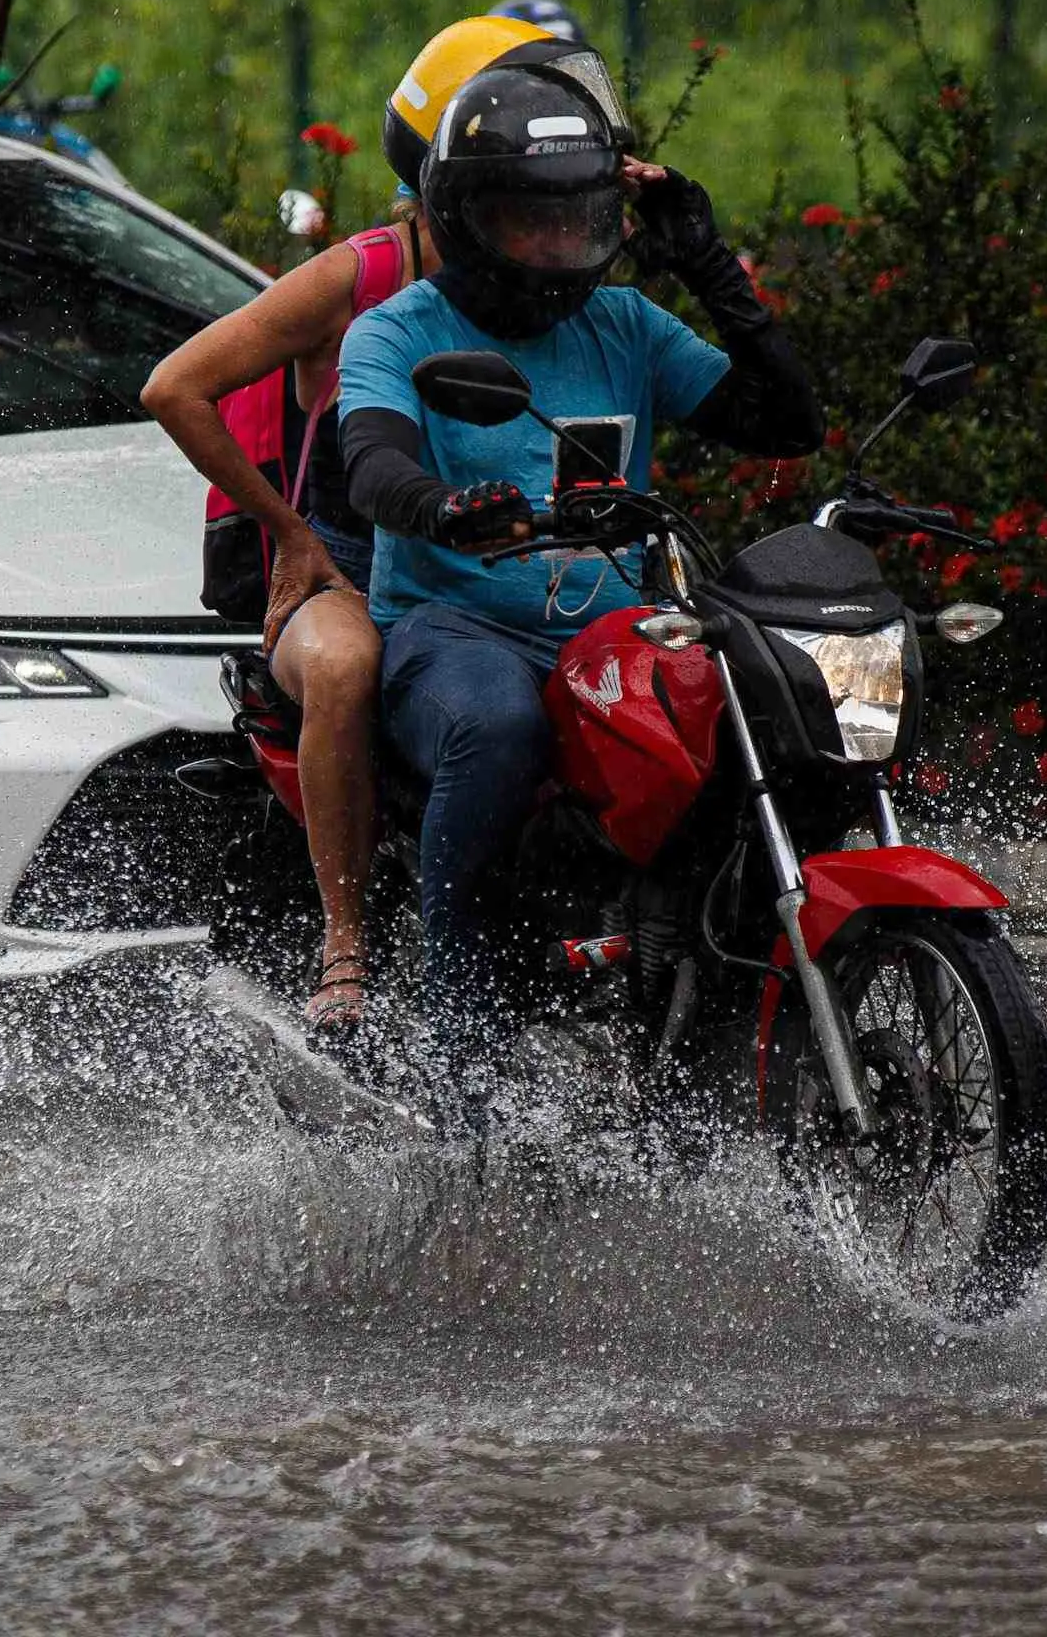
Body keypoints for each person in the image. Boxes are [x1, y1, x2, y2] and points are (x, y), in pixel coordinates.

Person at [337, 60, 822, 1070]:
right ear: (468, 218)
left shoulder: (627, 324)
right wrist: (443, 508)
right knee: (496, 725)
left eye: (580, 218)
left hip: (618, 637)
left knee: (763, 718)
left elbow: (786, 423)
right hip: (455, 631)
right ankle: (459, 1027)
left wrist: (709, 263)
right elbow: (374, 464)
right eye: (533, 219)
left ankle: (712, 993)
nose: (561, 245)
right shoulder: (395, 330)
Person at [142, 13, 557, 1033]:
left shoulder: (553, 273)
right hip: (352, 566)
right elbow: (175, 386)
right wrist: (289, 533)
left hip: (498, 560)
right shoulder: (361, 276)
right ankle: (347, 938)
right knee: (341, 666)